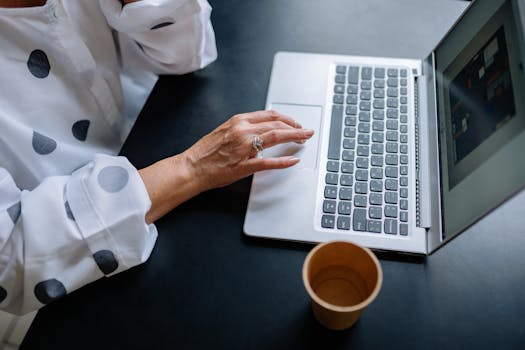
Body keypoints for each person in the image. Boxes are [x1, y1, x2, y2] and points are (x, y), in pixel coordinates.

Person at [0, 0, 313, 315]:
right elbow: (10, 260)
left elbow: (183, 56)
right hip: (83, 251)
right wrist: (192, 167)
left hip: (155, 129)